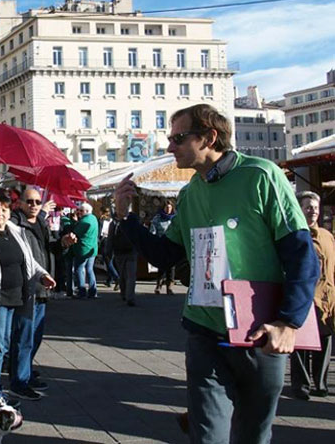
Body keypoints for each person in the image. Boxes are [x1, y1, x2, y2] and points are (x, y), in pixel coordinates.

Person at [113, 103, 319, 444]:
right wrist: (127, 218)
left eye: (178, 138)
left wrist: (290, 322)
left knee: (254, 435)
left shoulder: (261, 175)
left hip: (260, 332)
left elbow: (301, 254)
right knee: (208, 437)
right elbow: (164, 256)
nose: (169, 147)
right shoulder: (190, 192)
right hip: (204, 331)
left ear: (209, 137)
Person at [0, 191, 53, 408]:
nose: (0, 213)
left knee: (18, 341)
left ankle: (9, 386)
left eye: (4, 209)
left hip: (21, 296)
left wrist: (42, 274)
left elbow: (29, 258)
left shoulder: (15, 231)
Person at [9, 188, 57, 400]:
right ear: (19, 203)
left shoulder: (40, 222)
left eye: (37, 201)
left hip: (43, 288)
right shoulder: (16, 224)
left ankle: (26, 374)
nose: (34, 205)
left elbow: (47, 249)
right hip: (28, 288)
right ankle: (18, 381)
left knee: (35, 336)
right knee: (24, 337)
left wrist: (63, 243)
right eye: (29, 201)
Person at [290, 191, 335, 400]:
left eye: (315, 208)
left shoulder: (327, 236)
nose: (313, 212)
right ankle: (301, 385)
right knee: (300, 344)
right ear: (299, 209)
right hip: (304, 298)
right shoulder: (294, 234)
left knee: (324, 342)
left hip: (326, 299)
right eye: (308, 207)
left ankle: (320, 383)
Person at [70, 203, 99, 299]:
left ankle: (82, 291)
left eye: (81, 211)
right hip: (92, 248)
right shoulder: (94, 218)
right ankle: (93, 291)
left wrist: (75, 222)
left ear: (86, 211)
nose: (79, 212)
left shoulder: (84, 221)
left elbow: (75, 232)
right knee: (90, 269)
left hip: (83, 248)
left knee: (79, 269)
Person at [108, 214, 138, 306]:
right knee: (131, 276)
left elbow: (110, 238)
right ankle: (130, 297)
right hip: (131, 251)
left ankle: (124, 294)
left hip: (119, 252)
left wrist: (108, 251)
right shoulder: (133, 221)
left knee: (122, 274)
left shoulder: (114, 223)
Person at [150, 201, 176, 295]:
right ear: (164, 208)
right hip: (161, 244)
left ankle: (169, 287)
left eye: (170, 208)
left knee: (171, 267)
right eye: (167, 208)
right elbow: (153, 231)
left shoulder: (175, 218)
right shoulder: (158, 218)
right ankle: (158, 285)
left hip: (172, 244)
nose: (168, 210)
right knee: (161, 266)